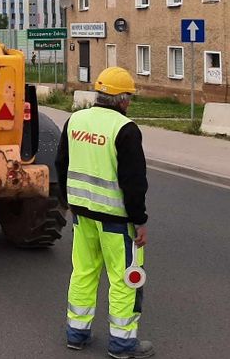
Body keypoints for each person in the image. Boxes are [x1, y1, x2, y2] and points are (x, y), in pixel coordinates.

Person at [56, 67, 152, 359]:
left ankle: (77, 334)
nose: (130, 104)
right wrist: (140, 220)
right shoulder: (125, 129)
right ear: (122, 100)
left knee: (83, 273)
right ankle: (123, 345)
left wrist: (67, 201)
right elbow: (134, 182)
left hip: (82, 216)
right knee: (125, 280)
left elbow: (61, 164)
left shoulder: (75, 120)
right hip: (116, 221)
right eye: (130, 98)